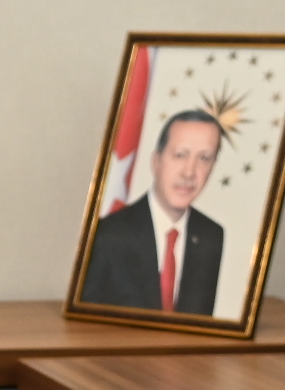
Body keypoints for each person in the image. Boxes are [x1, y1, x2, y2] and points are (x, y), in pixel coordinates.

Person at [79, 109, 227, 316]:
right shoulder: (108, 234)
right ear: (156, 161)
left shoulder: (211, 236)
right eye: (180, 155)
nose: (189, 172)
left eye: (204, 158)